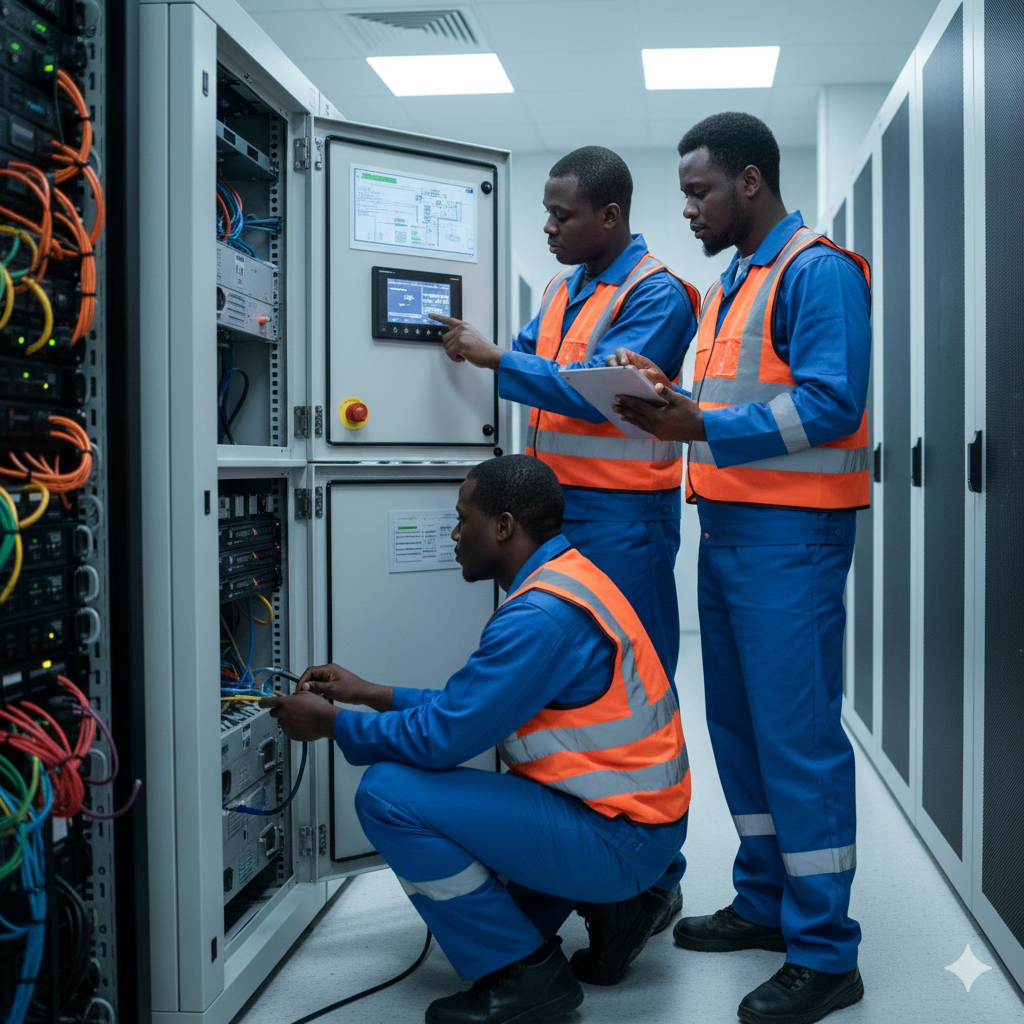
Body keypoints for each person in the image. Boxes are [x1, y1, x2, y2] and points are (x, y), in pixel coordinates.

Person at [260, 455, 691, 1024]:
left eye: (463, 519)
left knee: (386, 792)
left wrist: (329, 723)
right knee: (504, 902)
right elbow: (472, 709)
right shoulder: (568, 578)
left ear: (505, 526)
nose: (456, 533)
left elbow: (445, 737)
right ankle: (609, 909)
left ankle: (525, 978)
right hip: (623, 817)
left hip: (619, 837)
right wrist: (369, 692)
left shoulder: (540, 616)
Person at [612, 112, 869, 1024]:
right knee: (743, 734)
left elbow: (832, 404)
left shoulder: (817, 270)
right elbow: (736, 400)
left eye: (698, 191)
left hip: (791, 542)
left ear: (750, 183)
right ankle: (766, 903)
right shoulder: (730, 288)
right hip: (729, 535)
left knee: (797, 743)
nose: (686, 208)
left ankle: (827, 953)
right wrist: (672, 397)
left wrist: (704, 424)